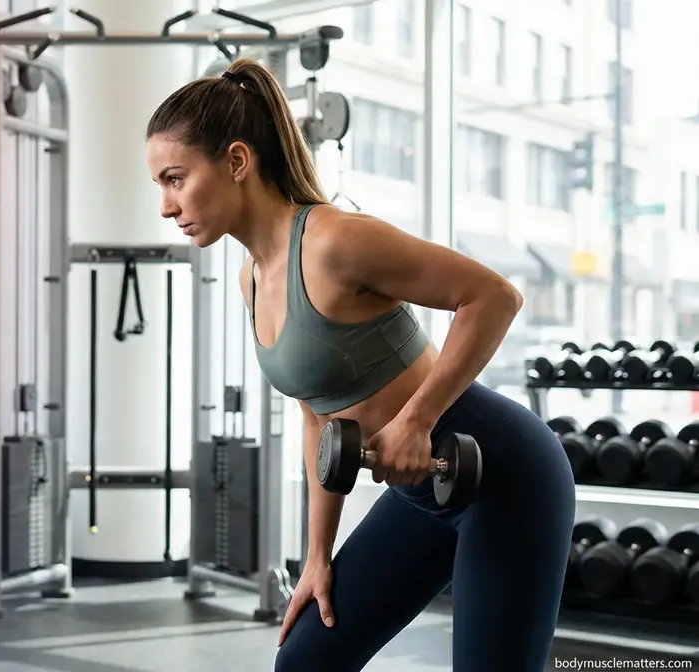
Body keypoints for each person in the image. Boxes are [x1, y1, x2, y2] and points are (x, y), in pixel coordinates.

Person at [144, 57, 577, 671]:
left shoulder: (334, 241)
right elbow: (318, 421)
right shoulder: (253, 276)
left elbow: (493, 297)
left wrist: (417, 420)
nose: (166, 206)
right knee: (305, 662)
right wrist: (316, 556)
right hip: (422, 493)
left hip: (504, 474)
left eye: (175, 179)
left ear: (237, 162)